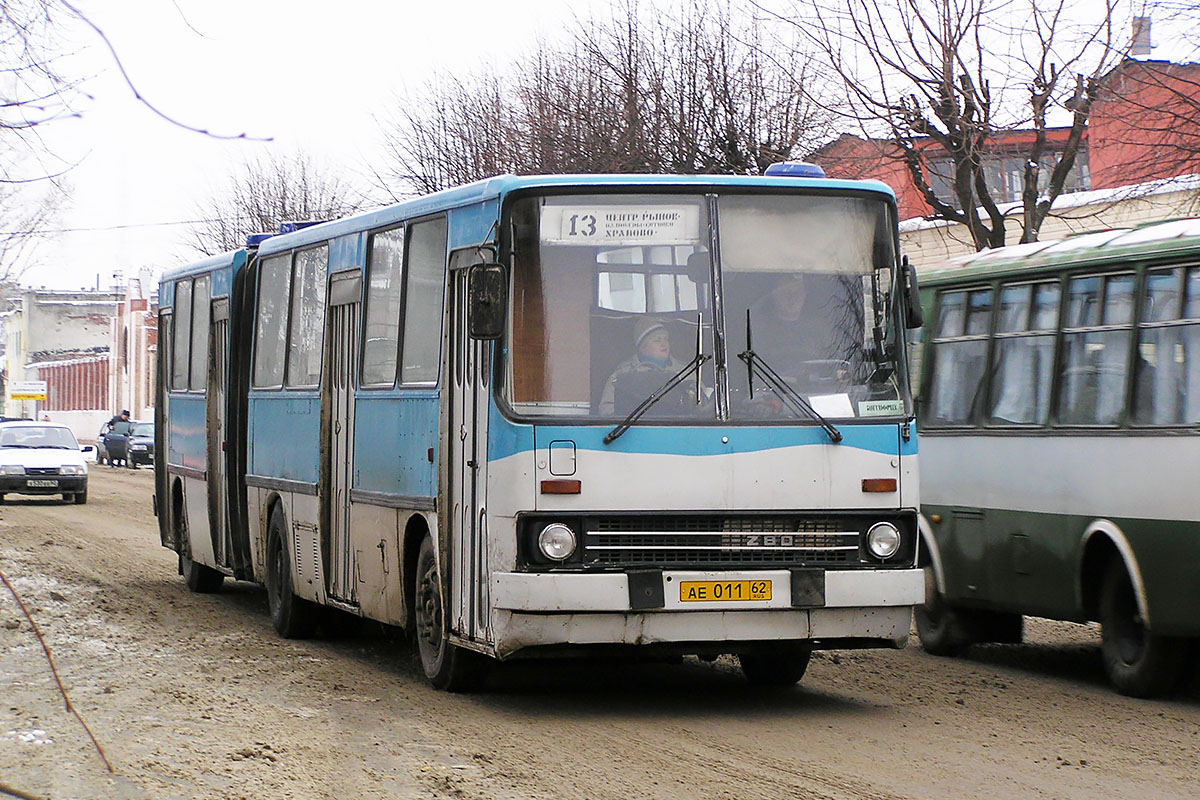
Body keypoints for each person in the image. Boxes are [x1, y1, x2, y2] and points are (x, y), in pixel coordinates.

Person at [598, 318, 689, 415]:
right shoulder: (623, 373)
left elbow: (700, 404)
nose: (664, 344)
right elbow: (606, 409)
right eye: (657, 340)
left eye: (665, 339)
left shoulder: (684, 371)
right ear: (643, 347)